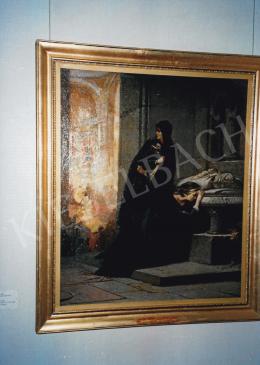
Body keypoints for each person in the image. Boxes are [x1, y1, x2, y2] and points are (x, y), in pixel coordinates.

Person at [96, 120, 186, 276]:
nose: (157, 134)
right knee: (137, 225)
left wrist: (159, 178)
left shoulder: (170, 148)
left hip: (160, 193)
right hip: (144, 190)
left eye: (160, 131)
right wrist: (146, 175)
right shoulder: (150, 144)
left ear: (166, 132)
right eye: (156, 130)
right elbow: (137, 166)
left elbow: (169, 172)